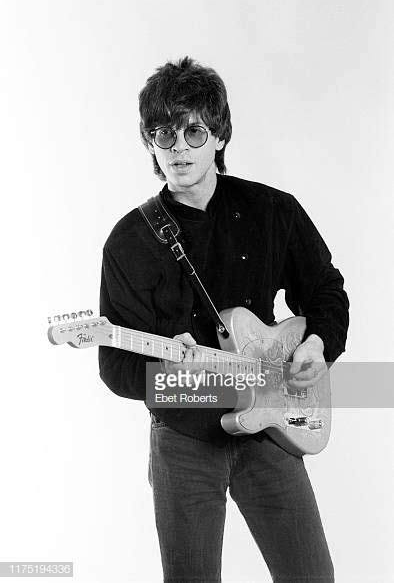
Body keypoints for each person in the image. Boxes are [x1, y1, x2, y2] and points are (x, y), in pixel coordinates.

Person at [99, 56, 349, 582]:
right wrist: (177, 381)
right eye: (163, 134)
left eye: (194, 131)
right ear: (148, 142)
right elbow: (116, 368)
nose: (179, 149)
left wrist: (316, 345)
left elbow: (326, 291)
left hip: (270, 430)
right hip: (184, 441)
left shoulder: (273, 211)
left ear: (219, 135)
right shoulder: (129, 242)